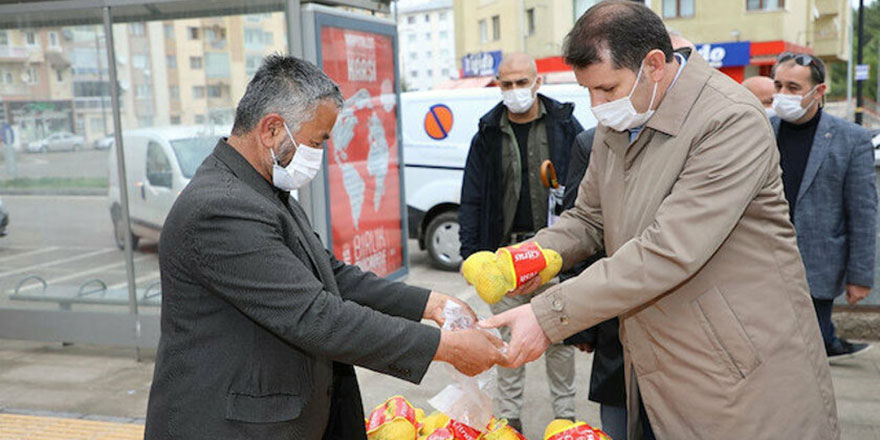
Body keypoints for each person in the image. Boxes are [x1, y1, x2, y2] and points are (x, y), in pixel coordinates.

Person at [481, 2, 839, 439]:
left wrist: (548, 314)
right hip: (655, 363)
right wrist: (528, 258)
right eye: (588, 90)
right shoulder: (627, 114)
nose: (597, 105)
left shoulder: (729, 120)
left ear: (653, 64)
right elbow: (589, 217)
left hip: (736, 369)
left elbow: (668, 250)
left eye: (606, 88)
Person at [144, 55, 505, 440]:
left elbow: (330, 275)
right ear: (271, 129)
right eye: (316, 142)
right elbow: (314, 315)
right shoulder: (221, 208)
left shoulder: (263, 191)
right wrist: (444, 347)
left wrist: (430, 304)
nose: (318, 155)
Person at [458, 52, 583, 431]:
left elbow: (585, 191)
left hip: (553, 254)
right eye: (506, 83)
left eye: (521, 82)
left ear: (537, 82)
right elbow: (472, 197)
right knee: (508, 341)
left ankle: (565, 419)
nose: (514, 90)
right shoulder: (487, 133)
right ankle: (510, 420)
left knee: (559, 339)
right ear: (498, 85)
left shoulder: (565, 125)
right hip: (504, 257)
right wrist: (471, 255)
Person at [770, 52, 876, 359]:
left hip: (817, 269)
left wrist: (859, 277)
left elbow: (863, 212)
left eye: (793, 87)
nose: (783, 94)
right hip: (764, 266)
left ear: (819, 91)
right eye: (778, 86)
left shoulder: (851, 140)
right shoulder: (762, 130)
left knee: (808, 357)